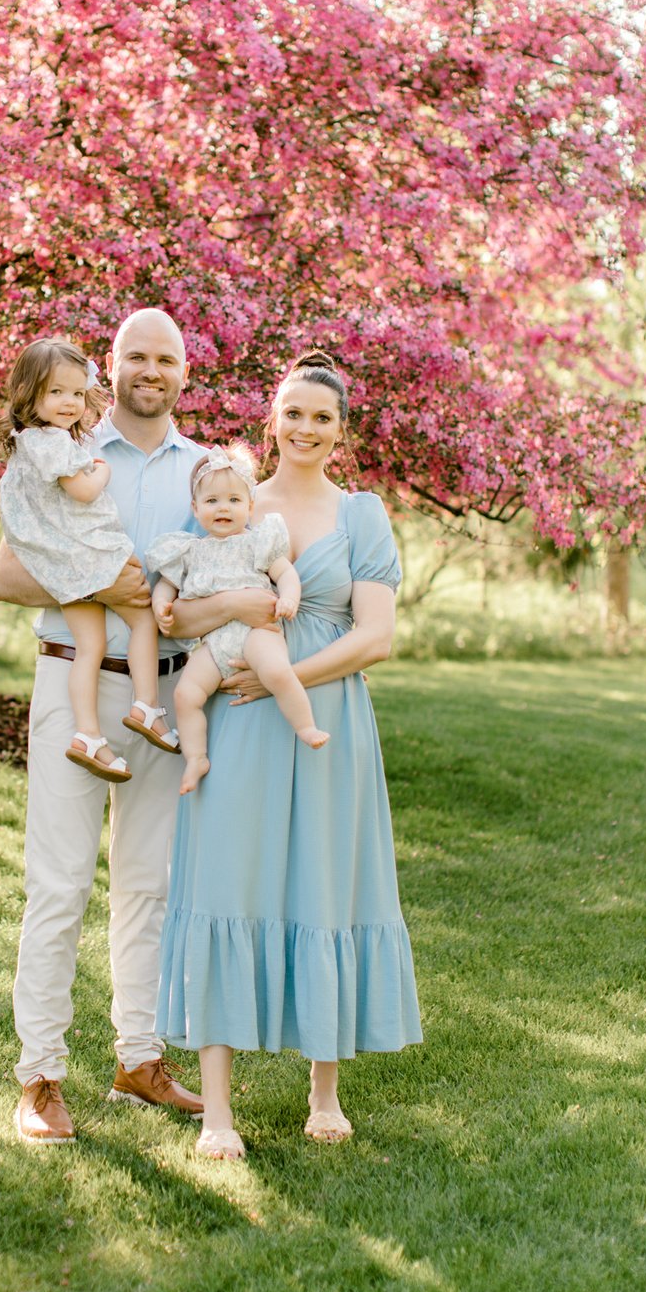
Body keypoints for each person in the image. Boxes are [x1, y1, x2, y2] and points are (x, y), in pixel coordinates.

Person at [0, 309, 271, 1143]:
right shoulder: (62, 447)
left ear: (185, 370)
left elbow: (233, 572)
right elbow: (9, 575)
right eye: (136, 357)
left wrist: (228, 608)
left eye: (167, 358)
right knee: (60, 884)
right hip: (72, 686)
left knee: (149, 885)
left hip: (170, 696)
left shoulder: (209, 471)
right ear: (110, 370)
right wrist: (109, 588)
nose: (152, 370)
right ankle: (39, 1077)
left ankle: (138, 1059)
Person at [156, 349, 422, 1160]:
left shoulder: (362, 515)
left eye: (322, 417)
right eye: (293, 412)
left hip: (323, 717)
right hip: (235, 717)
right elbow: (179, 611)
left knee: (324, 885)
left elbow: (374, 637)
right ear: (270, 419)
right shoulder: (229, 502)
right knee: (225, 880)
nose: (305, 428)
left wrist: (281, 681)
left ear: (341, 432)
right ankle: (217, 1113)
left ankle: (324, 1093)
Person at [0, 337, 179, 783]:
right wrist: (101, 471)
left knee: (89, 649)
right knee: (143, 620)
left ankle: (88, 736)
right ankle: (147, 706)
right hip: (90, 556)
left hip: (64, 564)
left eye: (77, 394)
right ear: (29, 393)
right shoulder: (55, 444)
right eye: (56, 392)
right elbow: (82, 491)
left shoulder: (30, 444)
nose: (69, 402)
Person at [147, 443, 329, 795]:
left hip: (257, 630)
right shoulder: (190, 550)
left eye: (233, 500)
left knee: (276, 671)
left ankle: (305, 726)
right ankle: (196, 757)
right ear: (195, 508)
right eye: (212, 501)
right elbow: (166, 586)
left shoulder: (257, 542)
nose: (223, 508)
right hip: (214, 642)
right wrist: (161, 605)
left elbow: (286, 573)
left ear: (250, 505)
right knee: (186, 694)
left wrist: (289, 597)